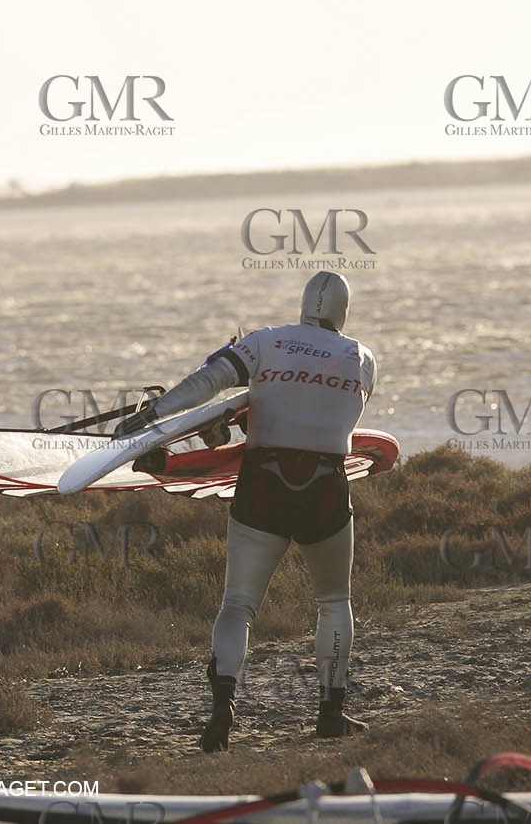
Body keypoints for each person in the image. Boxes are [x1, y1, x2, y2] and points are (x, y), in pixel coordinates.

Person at [118, 272, 376, 751]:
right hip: (324, 485)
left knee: (238, 605)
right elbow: (328, 411)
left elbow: (209, 382)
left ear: (302, 304)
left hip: (263, 482)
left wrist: (155, 416)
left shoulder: (266, 341)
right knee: (334, 600)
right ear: (343, 310)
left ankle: (223, 709)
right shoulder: (362, 358)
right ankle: (331, 712)